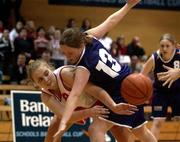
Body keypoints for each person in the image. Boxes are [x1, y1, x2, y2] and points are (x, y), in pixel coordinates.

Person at [57, 0, 157, 142]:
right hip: (128, 79)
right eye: (64, 53)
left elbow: (74, 95)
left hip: (120, 92)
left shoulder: (83, 66)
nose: (67, 57)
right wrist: (128, 5)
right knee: (140, 131)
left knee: (95, 130)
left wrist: (63, 122)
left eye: (70, 53)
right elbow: (110, 21)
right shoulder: (88, 37)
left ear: (79, 46)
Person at [27, 60, 137, 142]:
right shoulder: (45, 96)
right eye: (40, 79)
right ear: (35, 84)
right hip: (76, 107)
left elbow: (95, 90)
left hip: (98, 98)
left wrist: (113, 105)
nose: (46, 79)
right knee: (52, 134)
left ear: (50, 69)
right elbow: (67, 117)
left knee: (120, 134)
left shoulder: (65, 75)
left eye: (46, 73)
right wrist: (88, 112)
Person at [141, 33, 180, 139]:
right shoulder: (155, 58)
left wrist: (179, 72)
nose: (164, 48)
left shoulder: (179, 54)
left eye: (167, 46)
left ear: (174, 45)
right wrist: (142, 92)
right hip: (161, 93)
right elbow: (140, 77)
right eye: (162, 46)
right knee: (157, 122)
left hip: (178, 92)